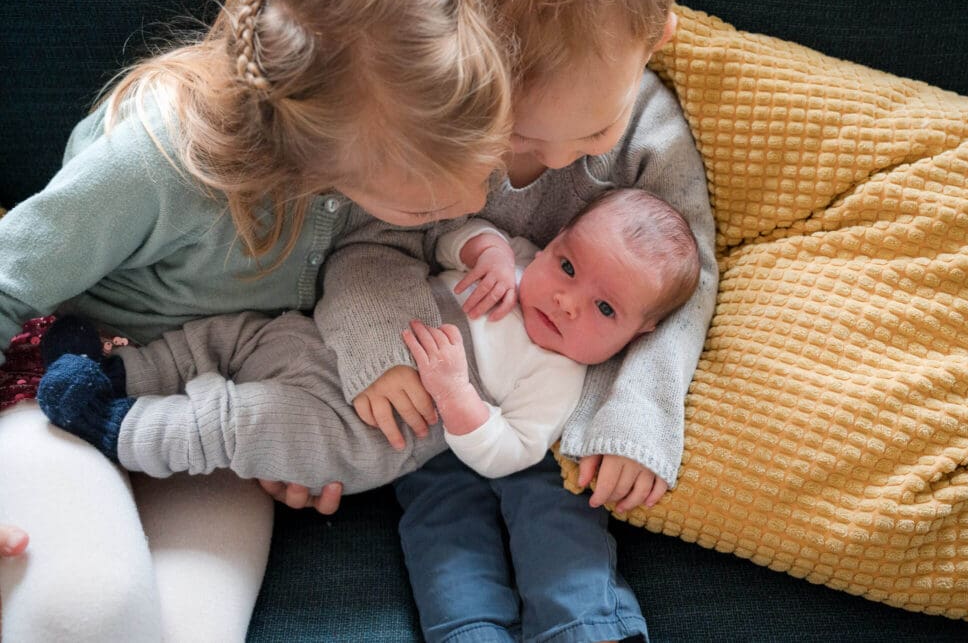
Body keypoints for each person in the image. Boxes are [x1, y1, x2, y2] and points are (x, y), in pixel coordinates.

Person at [0, 0, 511, 640]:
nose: (475, 204)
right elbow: (9, 275)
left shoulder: (360, 185)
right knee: (93, 608)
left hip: (202, 417)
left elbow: (354, 286)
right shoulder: (158, 158)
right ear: (317, 147)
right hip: (63, 380)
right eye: (433, 194)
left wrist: (306, 442)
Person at [319, 0, 720, 640]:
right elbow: (367, 239)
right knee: (445, 537)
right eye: (522, 135)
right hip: (437, 409)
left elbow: (686, 286)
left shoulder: (651, 130)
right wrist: (379, 350)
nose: (560, 159)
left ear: (655, 41)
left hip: (556, 413)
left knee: (564, 541)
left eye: (594, 135)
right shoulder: (444, 107)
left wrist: (635, 414)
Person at [37, 189, 699, 496]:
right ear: (553, 243)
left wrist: (456, 392)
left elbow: (508, 451)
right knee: (230, 337)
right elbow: (441, 235)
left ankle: (117, 425)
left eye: (604, 307)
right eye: (568, 264)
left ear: (635, 333)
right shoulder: (520, 264)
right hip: (332, 337)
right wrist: (487, 246)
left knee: (241, 422)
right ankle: (115, 367)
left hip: (361, 432)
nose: (564, 298)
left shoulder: (556, 375)